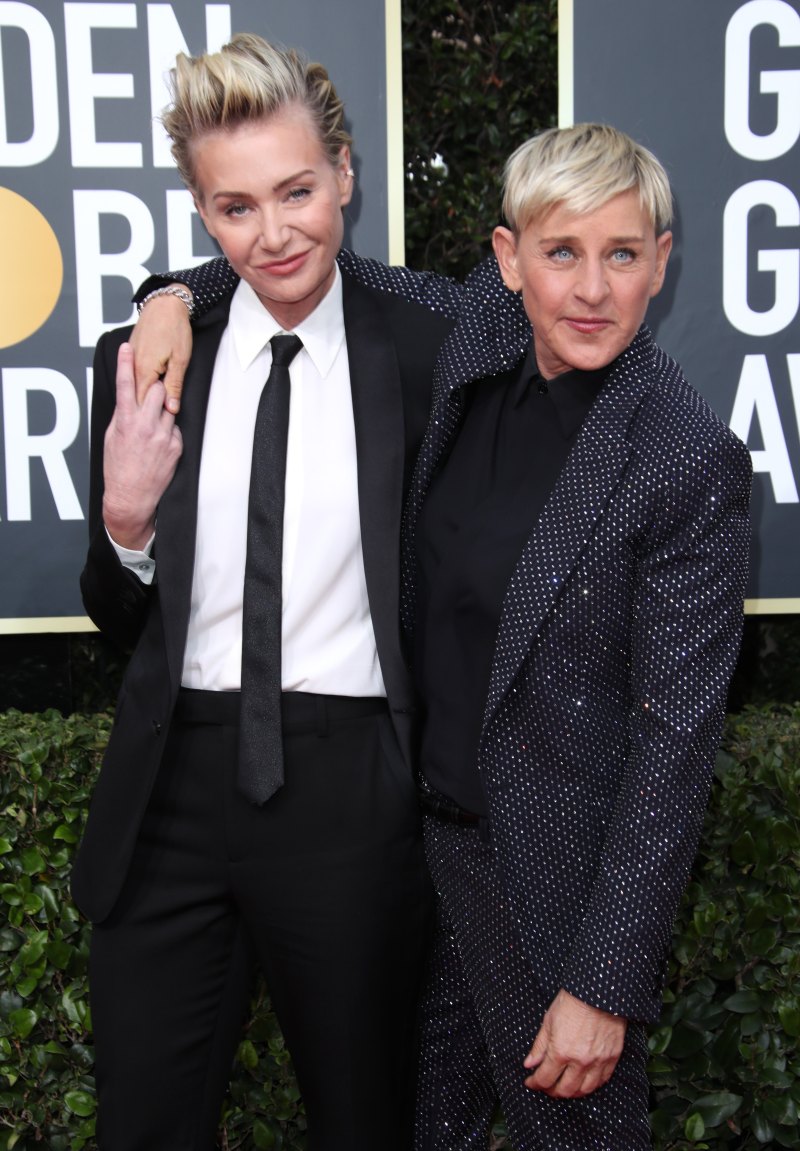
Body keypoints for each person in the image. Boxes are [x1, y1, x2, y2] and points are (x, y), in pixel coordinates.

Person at [133, 124, 751, 1149]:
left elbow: (672, 745)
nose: (591, 287)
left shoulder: (684, 459)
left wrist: (601, 982)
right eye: (561, 252)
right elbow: (294, 252)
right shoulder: (474, 343)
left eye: (622, 253)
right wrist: (165, 297)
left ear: (660, 262)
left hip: (553, 894)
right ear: (508, 259)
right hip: (418, 864)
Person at [74, 33, 460, 1151]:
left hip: (349, 790)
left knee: (361, 1121)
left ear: (344, 173)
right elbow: (115, 614)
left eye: (297, 190)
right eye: (234, 206)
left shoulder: (429, 346)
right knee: (142, 1126)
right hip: (169, 795)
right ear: (202, 212)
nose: (274, 230)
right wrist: (127, 522)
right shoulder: (145, 358)